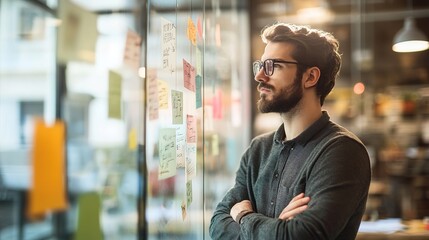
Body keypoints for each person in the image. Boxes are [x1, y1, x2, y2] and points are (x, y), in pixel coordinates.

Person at [209, 22, 371, 240]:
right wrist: (276, 229)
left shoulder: (342, 151)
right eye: (260, 66)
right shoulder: (258, 150)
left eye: (273, 66)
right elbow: (218, 226)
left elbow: (301, 236)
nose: (259, 77)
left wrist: (245, 216)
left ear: (310, 77)